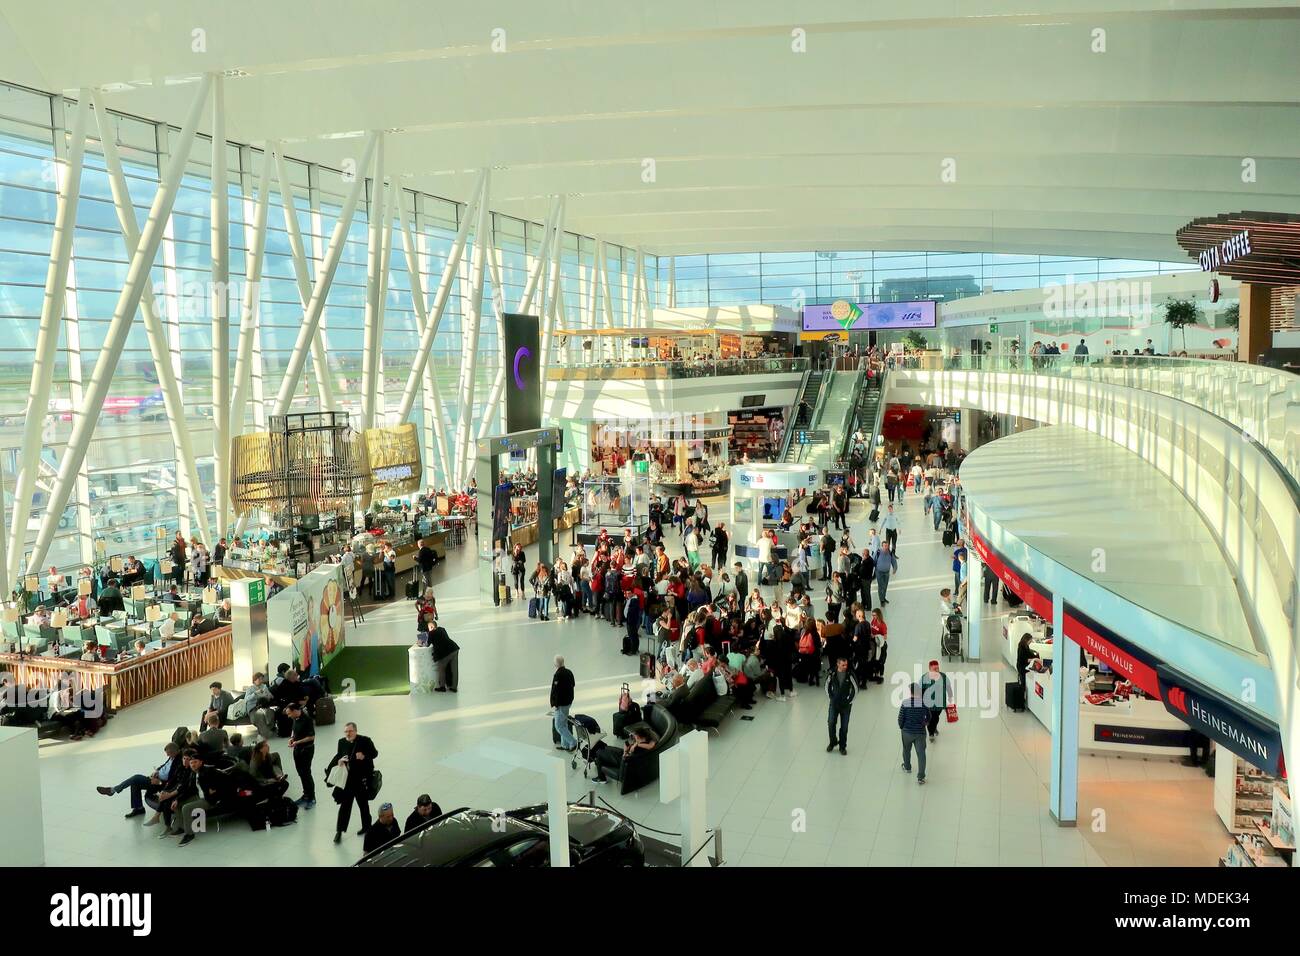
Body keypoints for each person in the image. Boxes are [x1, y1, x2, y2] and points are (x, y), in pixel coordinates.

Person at [96, 742, 181, 819]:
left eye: (169, 754)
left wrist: (158, 780)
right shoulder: (172, 757)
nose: (167, 756)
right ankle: (138, 808)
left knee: (136, 778)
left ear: (174, 752)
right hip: (156, 778)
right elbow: (164, 765)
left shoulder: (178, 761)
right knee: (135, 782)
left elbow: (172, 778)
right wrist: (157, 771)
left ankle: (113, 790)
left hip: (160, 783)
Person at [326, 722, 379, 844]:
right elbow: (339, 755)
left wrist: (364, 756)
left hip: (360, 780)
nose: (348, 734)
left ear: (355, 731)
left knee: (363, 805)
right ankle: (339, 831)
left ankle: (367, 827)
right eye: (346, 731)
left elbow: (375, 754)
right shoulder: (341, 742)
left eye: (350, 731)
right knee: (345, 807)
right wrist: (339, 761)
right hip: (348, 781)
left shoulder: (365, 741)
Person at [592, 724, 659, 784]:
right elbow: (650, 744)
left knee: (599, 752)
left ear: (638, 737)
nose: (634, 738)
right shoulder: (647, 741)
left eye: (635, 737)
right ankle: (600, 768)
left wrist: (626, 751)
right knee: (605, 748)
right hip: (628, 756)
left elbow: (626, 757)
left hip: (624, 761)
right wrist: (634, 745)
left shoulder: (638, 748)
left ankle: (601, 778)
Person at [286, 701, 316, 809]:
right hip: (297, 750)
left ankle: (312, 797)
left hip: (306, 750)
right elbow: (294, 731)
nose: (289, 716)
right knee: (301, 773)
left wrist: (297, 742)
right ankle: (305, 795)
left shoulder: (307, 719)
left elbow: (311, 737)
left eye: (289, 714)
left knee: (306, 773)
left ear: (295, 711)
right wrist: (292, 739)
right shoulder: (295, 719)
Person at [824, 657, 857, 755]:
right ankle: (833, 741)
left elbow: (856, 689)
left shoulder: (850, 675)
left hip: (845, 706)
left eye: (846, 665)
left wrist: (849, 700)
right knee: (831, 723)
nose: (845, 667)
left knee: (844, 727)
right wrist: (831, 697)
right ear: (838, 664)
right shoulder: (832, 674)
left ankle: (842, 746)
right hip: (834, 704)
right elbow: (827, 686)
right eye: (843, 665)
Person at [899, 683, 930, 785]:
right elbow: (928, 717)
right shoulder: (923, 704)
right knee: (921, 754)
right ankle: (921, 777)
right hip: (920, 733)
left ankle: (907, 767)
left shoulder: (905, 703)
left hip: (907, 732)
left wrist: (902, 727)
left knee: (906, 750)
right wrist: (924, 723)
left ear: (910, 692)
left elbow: (900, 719)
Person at [550, 655, 577, 752]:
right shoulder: (569, 672)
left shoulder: (558, 675)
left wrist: (555, 704)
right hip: (568, 702)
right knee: (564, 723)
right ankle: (564, 745)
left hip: (561, 704)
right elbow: (573, 684)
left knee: (559, 726)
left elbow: (555, 691)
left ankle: (573, 742)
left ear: (556, 663)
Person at [920, 660, 952, 741]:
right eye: (935, 669)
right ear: (930, 669)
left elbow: (948, 686)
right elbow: (921, 690)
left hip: (940, 703)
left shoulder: (943, 676)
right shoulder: (924, 677)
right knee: (930, 718)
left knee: (936, 717)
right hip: (929, 703)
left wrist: (950, 696)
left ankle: (934, 728)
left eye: (938, 668)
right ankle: (931, 733)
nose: (937, 670)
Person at [430, 625, 459, 692]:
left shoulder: (431, 633)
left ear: (431, 627)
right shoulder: (442, 629)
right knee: (454, 670)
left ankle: (442, 687)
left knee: (441, 669)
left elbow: (426, 643)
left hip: (445, 653)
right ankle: (454, 687)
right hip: (454, 648)